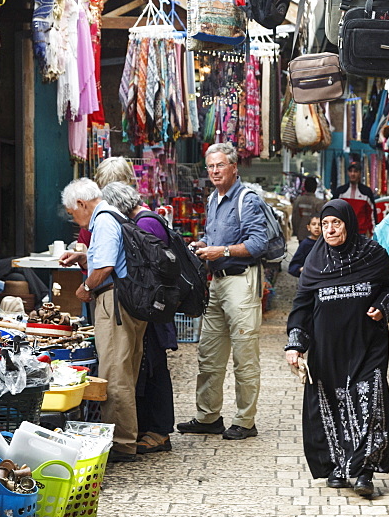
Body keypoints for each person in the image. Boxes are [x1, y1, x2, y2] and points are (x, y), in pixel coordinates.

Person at [285, 200, 389, 497]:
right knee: (332, 405)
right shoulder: (314, 261)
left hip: (367, 344)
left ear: (348, 224)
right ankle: (337, 466)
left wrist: (382, 306)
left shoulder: (372, 254)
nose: (330, 229)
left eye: (336, 223)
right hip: (328, 349)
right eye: (325, 224)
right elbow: (302, 306)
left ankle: (364, 471)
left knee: (368, 402)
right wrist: (295, 345)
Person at [178, 142, 269, 441]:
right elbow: (213, 235)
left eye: (220, 165)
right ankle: (208, 417)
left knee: (245, 356)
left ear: (233, 167)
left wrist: (223, 250)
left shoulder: (248, 200)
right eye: (211, 166)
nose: (215, 171)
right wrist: (204, 245)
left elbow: (259, 244)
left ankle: (245, 421)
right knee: (209, 354)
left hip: (242, 281)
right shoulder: (212, 199)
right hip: (216, 282)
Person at [57, 178, 147, 463]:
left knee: (115, 372)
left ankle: (121, 443)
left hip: (114, 302)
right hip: (124, 301)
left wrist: (86, 287)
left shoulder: (105, 221)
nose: (76, 220)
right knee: (123, 368)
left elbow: (107, 266)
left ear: (82, 204)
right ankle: (125, 436)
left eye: (73, 213)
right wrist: (83, 259)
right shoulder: (113, 215)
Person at [102, 181, 177, 454]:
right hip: (150, 305)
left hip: (152, 307)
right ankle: (150, 428)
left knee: (154, 366)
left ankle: (159, 431)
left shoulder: (145, 223)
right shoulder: (143, 219)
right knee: (146, 365)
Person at [332, 162, 377, 236]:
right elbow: (333, 212)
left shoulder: (366, 192)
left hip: (361, 233)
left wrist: (373, 233)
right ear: (347, 173)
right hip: (343, 232)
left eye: (355, 171)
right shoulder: (340, 192)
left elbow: (371, 214)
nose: (353, 174)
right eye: (350, 171)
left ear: (360, 173)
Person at [291, 177, 326, 241]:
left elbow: (294, 218)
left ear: (304, 187)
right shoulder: (319, 203)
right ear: (315, 188)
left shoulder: (298, 201)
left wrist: (296, 232)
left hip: (301, 235)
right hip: (316, 236)